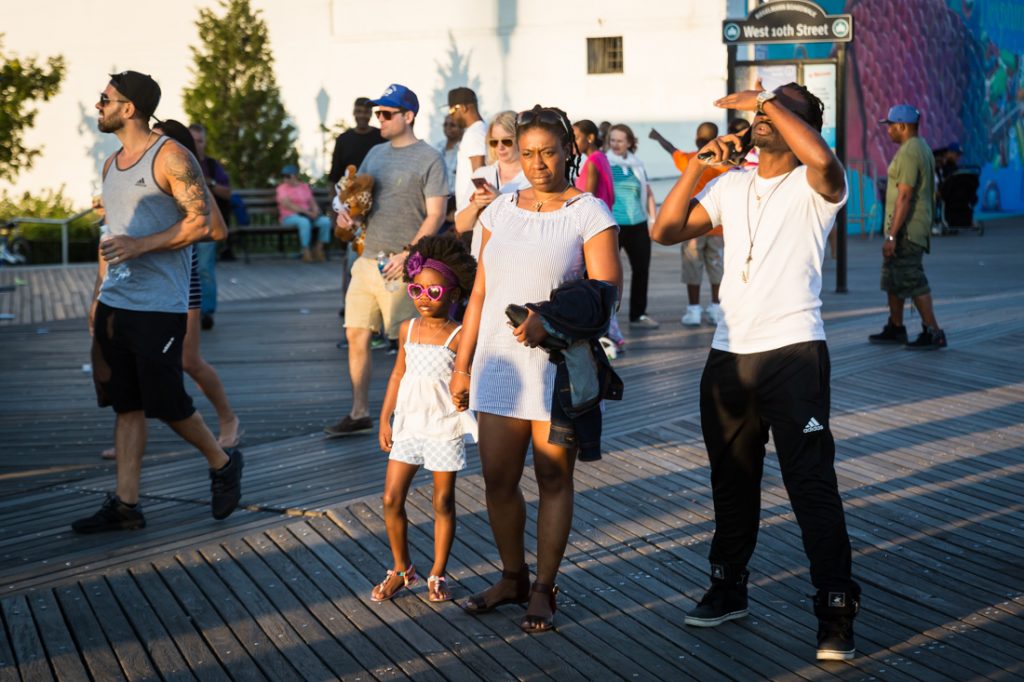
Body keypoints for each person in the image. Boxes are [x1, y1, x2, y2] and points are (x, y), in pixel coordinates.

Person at [651, 81, 860, 661]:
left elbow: (819, 155)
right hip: (728, 354)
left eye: (781, 107)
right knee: (731, 480)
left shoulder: (820, 183)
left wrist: (761, 99)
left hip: (794, 353)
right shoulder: (733, 184)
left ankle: (836, 607)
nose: (765, 114)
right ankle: (728, 587)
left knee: (810, 483)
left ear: (804, 124)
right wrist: (697, 169)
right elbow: (663, 231)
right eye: (764, 109)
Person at [451, 105, 621, 633]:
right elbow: (479, 292)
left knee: (552, 476)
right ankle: (512, 577)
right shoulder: (499, 211)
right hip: (498, 367)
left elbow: (606, 297)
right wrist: (462, 365)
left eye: (548, 151)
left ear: (569, 148)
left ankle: (545, 587)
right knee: (498, 480)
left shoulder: (588, 213)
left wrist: (550, 324)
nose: (538, 163)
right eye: (528, 153)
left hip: (555, 370)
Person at [76, 70, 243, 533]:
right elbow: (113, 237)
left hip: (159, 306)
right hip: (117, 303)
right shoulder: (111, 165)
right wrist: (97, 296)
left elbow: (207, 225)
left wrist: (141, 246)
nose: (98, 105)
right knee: (126, 404)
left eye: (105, 98)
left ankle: (221, 462)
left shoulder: (171, 156)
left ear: (129, 108)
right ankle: (127, 505)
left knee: (167, 402)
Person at [93, 119, 241, 460]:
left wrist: (157, 234)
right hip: (132, 287)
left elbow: (217, 231)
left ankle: (228, 420)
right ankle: (127, 438)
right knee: (130, 368)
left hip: (178, 283)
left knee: (189, 360)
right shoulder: (134, 171)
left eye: (159, 142)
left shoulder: (185, 175)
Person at [325, 83, 448, 437]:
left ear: (408, 116)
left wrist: (409, 254)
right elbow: (358, 200)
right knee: (355, 334)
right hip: (367, 259)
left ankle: (410, 414)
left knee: (407, 341)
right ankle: (360, 410)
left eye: (387, 113)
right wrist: (349, 217)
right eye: (378, 113)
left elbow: (436, 214)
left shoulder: (429, 157)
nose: (379, 118)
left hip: (405, 264)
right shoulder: (375, 154)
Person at [372, 236, 478, 603]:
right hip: (409, 424)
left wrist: (465, 393)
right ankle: (402, 569)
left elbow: (468, 377)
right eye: (417, 289)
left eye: (435, 292)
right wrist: (385, 418)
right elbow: (397, 375)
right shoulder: (408, 329)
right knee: (390, 497)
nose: (423, 297)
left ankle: (437, 573)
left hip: (443, 426)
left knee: (442, 501)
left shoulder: (460, 335)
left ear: (454, 295)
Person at [869, 104, 947, 350]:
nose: (888, 130)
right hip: (906, 228)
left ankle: (934, 331)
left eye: (890, 125)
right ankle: (896, 327)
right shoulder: (920, 147)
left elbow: (904, 195)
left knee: (913, 279)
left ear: (902, 126)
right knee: (893, 278)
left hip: (906, 230)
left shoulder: (910, 152)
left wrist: (892, 236)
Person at [650, 123, 727, 326]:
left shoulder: (691, 159)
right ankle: (715, 308)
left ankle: (693, 310)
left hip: (691, 227)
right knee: (716, 268)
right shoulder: (724, 162)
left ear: (696, 138)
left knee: (693, 267)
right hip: (718, 227)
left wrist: (658, 138)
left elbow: (671, 149)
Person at [328, 97, 386, 307]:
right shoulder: (344, 139)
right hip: (351, 208)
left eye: (366, 111)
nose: (362, 115)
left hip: (377, 205)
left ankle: (376, 305)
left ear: (371, 114)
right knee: (352, 257)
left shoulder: (380, 138)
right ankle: (349, 305)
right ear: (353, 112)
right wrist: (334, 210)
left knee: (376, 259)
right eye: (358, 111)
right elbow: (334, 176)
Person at [454, 110, 529, 258]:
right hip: (480, 261)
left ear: (520, 139)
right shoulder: (482, 174)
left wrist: (500, 201)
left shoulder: (532, 176)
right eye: (494, 142)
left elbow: (533, 226)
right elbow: (461, 226)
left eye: (506, 141)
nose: (500, 147)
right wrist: (475, 205)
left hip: (517, 259)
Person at [606, 123, 658, 329]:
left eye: (620, 140)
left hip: (638, 224)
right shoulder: (605, 162)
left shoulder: (637, 165)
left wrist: (653, 221)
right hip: (612, 226)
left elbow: (648, 193)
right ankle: (607, 317)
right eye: (612, 140)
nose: (616, 144)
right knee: (608, 273)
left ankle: (638, 315)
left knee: (641, 270)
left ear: (629, 142)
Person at [188, 123, 232, 330]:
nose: (197, 145)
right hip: (181, 225)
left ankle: (206, 313)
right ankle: (186, 313)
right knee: (183, 268)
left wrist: (209, 183)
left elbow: (227, 192)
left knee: (204, 269)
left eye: (200, 141)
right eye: (193, 140)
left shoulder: (213, 166)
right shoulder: (177, 161)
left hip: (205, 226)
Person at [276, 165, 332, 263]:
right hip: (289, 216)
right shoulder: (282, 188)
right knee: (304, 222)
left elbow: (312, 202)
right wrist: (307, 213)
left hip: (308, 215)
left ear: (295, 176)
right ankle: (305, 251)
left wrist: (315, 211)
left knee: (325, 221)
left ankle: (318, 249)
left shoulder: (304, 186)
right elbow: (287, 204)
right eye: (284, 176)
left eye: (288, 176)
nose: (286, 179)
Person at [448, 87, 487, 213]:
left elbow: (479, 175)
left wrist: (472, 214)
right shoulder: (478, 130)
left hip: (473, 214)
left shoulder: (475, 133)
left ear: (464, 108)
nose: (451, 115)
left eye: (452, 109)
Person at [572, 119, 615, 210]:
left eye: (576, 139)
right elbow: (613, 197)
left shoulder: (593, 161)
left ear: (590, 138)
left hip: (594, 220)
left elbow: (588, 201)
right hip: (605, 215)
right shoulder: (602, 157)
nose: (573, 143)